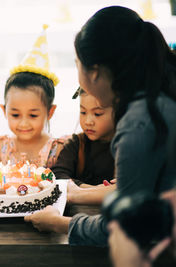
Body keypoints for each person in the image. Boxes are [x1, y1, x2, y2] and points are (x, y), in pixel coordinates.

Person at [25, 6, 176, 246]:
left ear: (94, 73)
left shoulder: (139, 124)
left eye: (76, 63)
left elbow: (126, 228)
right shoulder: (161, 94)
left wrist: (58, 223)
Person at [0, 24, 66, 168]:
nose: (23, 123)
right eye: (15, 115)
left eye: (33, 115)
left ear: (50, 112)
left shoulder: (57, 150)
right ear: (4, 111)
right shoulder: (0, 148)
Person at [53, 87, 115, 205]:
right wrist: (94, 190)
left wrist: (78, 190)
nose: (88, 121)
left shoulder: (125, 146)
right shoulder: (76, 143)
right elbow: (58, 174)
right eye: (83, 112)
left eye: (97, 114)